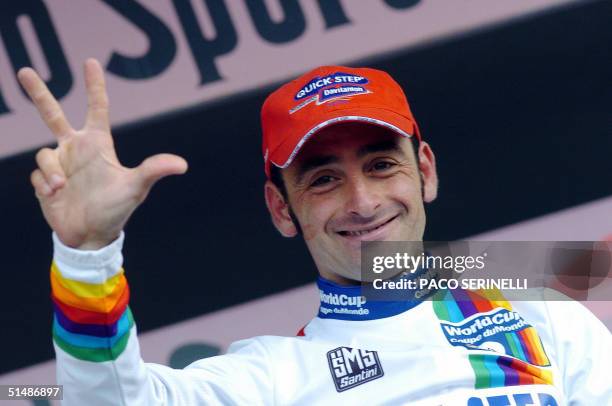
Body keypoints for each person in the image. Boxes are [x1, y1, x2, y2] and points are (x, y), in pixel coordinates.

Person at [19, 60, 611, 405]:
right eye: (324, 179)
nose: (363, 202)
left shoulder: (546, 319)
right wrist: (87, 253)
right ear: (282, 209)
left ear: (424, 170)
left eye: (382, 165)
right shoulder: (271, 379)